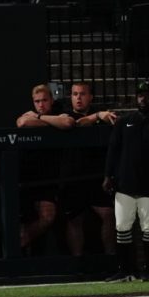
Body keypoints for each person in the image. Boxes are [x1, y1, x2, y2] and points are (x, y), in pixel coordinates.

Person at [103, 81, 149, 282]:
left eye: (147, 95)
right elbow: (113, 150)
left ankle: (146, 269)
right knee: (122, 227)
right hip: (125, 185)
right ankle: (124, 269)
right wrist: (108, 175)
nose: (143, 99)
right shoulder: (124, 122)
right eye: (140, 95)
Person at [58, 82, 118, 259]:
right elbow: (77, 124)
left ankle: (111, 258)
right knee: (74, 219)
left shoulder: (102, 114)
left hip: (96, 176)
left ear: (90, 97)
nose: (78, 98)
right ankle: (78, 262)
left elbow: (115, 121)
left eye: (82, 94)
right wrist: (98, 116)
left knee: (108, 214)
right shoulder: (65, 115)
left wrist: (104, 116)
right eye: (75, 94)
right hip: (73, 176)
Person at [15, 84, 75, 251]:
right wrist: (50, 123)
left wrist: (40, 118)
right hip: (28, 178)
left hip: (52, 180)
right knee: (30, 220)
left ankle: (20, 242)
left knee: (49, 218)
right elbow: (23, 122)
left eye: (44, 100)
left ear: (51, 100)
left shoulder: (58, 112)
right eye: (37, 101)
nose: (41, 105)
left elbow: (67, 122)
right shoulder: (29, 115)